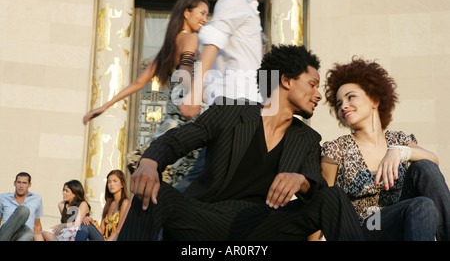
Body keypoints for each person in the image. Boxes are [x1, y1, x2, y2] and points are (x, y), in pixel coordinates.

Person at [116, 45, 365, 241]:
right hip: (208, 219)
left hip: (264, 226)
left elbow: (318, 191)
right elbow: (177, 139)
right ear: (286, 80)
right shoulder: (230, 112)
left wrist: (299, 181)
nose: (319, 95)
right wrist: (149, 162)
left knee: (333, 196)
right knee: (153, 192)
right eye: (312, 85)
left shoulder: (307, 138)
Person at [82, 0, 210, 187]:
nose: (204, 19)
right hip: (186, 121)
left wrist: (104, 106)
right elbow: (185, 70)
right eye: (201, 13)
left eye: (207, 15)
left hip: (169, 123)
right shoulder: (191, 39)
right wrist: (191, 99)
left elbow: (138, 83)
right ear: (186, 12)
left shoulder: (169, 46)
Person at [320, 56, 450, 241]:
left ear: (374, 100)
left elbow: (433, 163)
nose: (344, 106)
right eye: (339, 104)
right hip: (364, 230)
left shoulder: (398, 139)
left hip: (405, 221)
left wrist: (400, 151)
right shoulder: (335, 149)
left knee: (424, 169)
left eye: (351, 97)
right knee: (421, 205)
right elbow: (322, 202)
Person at [179, 0, 275, 118]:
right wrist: (194, 93)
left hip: (248, 103)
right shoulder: (234, 0)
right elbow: (212, 43)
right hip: (234, 103)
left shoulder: (249, 7)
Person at [75, 170, 129, 241]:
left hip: (117, 239)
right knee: (85, 225)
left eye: (115, 181)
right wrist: (91, 221)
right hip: (104, 239)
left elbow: (119, 230)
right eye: (109, 182)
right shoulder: (109, 204)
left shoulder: (124, 203)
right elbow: (101, 231)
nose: (111, 184)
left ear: (122, 184)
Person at [0, 172, 43, 241]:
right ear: (14, 183)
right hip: (6, 234)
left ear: (29, 185)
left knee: (29, 234)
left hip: (25, 235)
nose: (21, 186)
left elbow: (37, 225)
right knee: (24, 210)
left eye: (24, 183)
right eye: (19, 182)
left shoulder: (37, 199)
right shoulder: (3, 198)